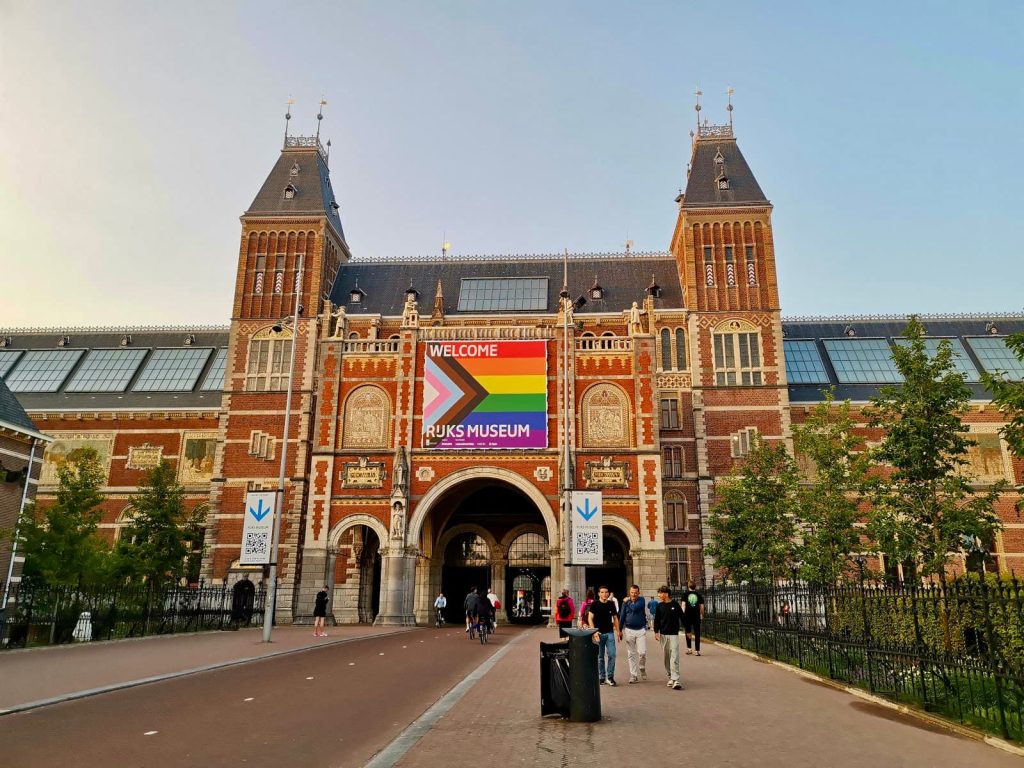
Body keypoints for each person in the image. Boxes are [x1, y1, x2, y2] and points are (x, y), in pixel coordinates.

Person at [587, 586, 620, 686]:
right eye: (602, 592)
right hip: (599, 633)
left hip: (609, 633)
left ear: (608, 593)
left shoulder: (611, 604)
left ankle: (610, 677)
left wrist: (618, 631)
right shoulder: (595, 604)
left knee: (612, 654)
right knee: (600, 657)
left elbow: (615, 618)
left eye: (606, 592)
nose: (604, 594)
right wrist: (594, 632)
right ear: (599, 594)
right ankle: (602, 677)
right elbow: (590, 618)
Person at [653, 585, 685, 690]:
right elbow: (657, 619)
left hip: (674, 634)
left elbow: (682, 617)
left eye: (660, 593)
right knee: (667, 656)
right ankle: (670, 676)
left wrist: (688, 630)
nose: (659, 595)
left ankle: (676, 679)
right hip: (663, 634)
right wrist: (656, 632)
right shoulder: (659, 606)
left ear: (666, 594)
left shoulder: (675, 604)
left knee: (674, 655)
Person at [618, 584, 648, 683]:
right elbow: (622, 615)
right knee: (631, 654)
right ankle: (633, 675)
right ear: (629, 592)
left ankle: (642, 667)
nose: (633, 594)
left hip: (640, 630)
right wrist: (619, 630)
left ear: (638, 593)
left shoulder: (641, 600)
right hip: (629, 630)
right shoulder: (625, 603)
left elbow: (635, 608)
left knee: (642, 653)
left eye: (635, 593)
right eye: (632, 592)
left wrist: (627, 601)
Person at [681, 580, 705, 656]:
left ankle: (689, 649)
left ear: (688, 586)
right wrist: (702, 614)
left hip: (687, 616)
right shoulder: (698, 594)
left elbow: (683, 605)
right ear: (695, 587)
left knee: (688, 632)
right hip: (696, 616)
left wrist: (682, 615)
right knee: (697, 633)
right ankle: (697, 650)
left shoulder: (685, 594)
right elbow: (701, 606)